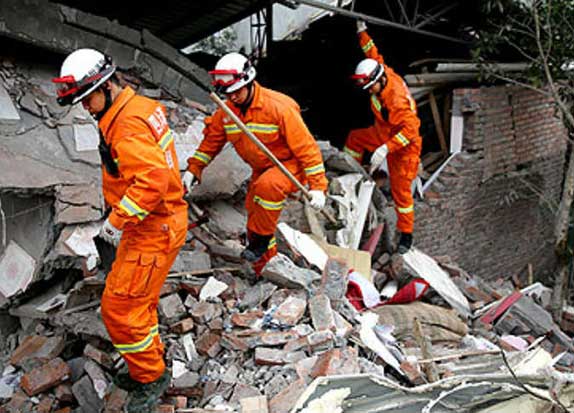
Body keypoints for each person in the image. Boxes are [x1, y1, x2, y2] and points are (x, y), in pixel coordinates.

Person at [53, 48, 188, 412]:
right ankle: (151, 364)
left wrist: (113, 224)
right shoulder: (136, 108)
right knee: (136, 303)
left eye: (86, 99)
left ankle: (150, 378)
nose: (84, 108)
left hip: (152, 227)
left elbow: (152, 181)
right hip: (155, 222)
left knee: (119, 309)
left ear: (106, 86)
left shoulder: (125, 123)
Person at [183, 52, 328, 273]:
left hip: (288, 165)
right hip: (261, 168)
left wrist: (318, 187)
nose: (233, 97)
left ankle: (260, 242)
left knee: (267, 189)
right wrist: (194, 169)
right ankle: (267, 267)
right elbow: (210, 143)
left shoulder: (279, 107)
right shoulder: (227, 113)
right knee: (254, 209)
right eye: (228, 94)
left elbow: (307, 149)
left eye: (237, 92)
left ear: (249, 82)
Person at [344, 21, 422, 254]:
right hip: (385, 130)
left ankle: (406, 236)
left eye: (370, 87)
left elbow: (411, 130)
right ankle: (354, 174)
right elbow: (372, 52)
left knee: (401, 193)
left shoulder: (396, 100)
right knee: (354, 139)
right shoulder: (380, 71)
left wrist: (386, 149)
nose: (369, 91)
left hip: (404, 145)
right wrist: (361, 32)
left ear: (379, 81)